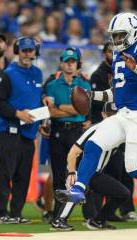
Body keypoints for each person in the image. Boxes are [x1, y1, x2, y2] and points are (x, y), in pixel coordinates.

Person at [55, 12, 137, 205]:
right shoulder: (118, 55)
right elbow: (115, 93)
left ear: (133, 32)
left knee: (135, 169)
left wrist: (135, 67)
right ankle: (78, 189)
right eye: (115, 35)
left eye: (120, 34)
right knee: (93, 146)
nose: (117, 39)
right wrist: (92, 96)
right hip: (121, 114)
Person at [0, 37, 43, 224]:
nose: (28, 54)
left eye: (31, 50)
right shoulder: (8, 73)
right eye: (24, 50)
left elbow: (38, 100)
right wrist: (17, 114)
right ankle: (0, 213)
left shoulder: (38, 73)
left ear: (35, 52)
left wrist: (43, 119)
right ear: (17, 51)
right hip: (8, 129)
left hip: (29, 131)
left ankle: (15, 213)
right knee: (6, 172)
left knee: (23, 175)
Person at [60, 102, 130, 230]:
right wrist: (72, 172)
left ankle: (98, 220)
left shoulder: (121, 132)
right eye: (110, 115)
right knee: (78, 189)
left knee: (123, 194)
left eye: (115, 115)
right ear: (103, 115)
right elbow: (73, 152)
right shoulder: (95, 129)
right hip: (82, 171)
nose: (112, 118)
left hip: (97, 174)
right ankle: (59, 220)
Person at [45, 47, 91, 230]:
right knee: (58, 175)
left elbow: (84, 110)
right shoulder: (52, 85)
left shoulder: (85, 84)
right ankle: (58, 215)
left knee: (77, 174)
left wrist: (62, 107)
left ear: (77, 64)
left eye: (72, 62)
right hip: (57, 132)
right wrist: (73, 108)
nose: (70, 65)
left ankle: (86, 215)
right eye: (67, 61)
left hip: (76, 132)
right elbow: (50, 111)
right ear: (62, 63)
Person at [90, 43, 113, 124]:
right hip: (100, 121)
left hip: (117, 119)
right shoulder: (97, 75)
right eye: (110, 51)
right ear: (104, 53)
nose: (113, 54)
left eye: (115, 51)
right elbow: (96, 101)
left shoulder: (121, 72)